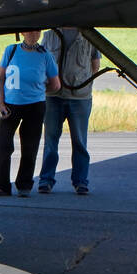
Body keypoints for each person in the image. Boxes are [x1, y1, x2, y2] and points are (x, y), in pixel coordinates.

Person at [0, 30, 60, 197]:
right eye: (30, 31)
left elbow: (56, 85)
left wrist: (39, 91)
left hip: (35, 106)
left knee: (29, 146)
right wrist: (1, 104)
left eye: (37, 31)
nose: (34, 34)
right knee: (2, 145)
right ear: (22, 32)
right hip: (10, 106)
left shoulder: (45, 55)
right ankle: (2, 185)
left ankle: (24, 184)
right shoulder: (10, 50)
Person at [37, 28, 101, 195]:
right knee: (50, 141)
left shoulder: (89, 35)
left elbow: (95, 65)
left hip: (80, 98)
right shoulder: (50, 34)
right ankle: (46, 180)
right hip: (53, 96)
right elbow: (41, 61)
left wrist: (83, 84)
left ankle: (81, 182)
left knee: (80, 141)